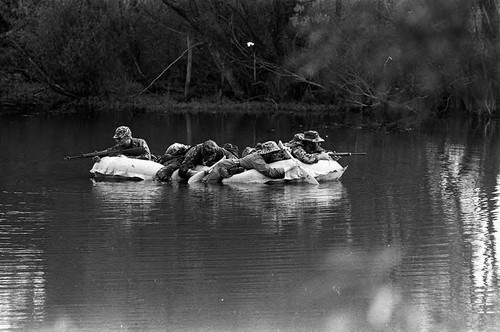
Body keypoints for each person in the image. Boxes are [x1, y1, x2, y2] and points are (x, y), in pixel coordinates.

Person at [205, 140, 297, 183]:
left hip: (233, 164)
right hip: (224, 166)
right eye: (274, 153)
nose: (276, 155)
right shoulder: (257, 160)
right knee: (211, 185)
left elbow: (278, 157)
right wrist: (290, 167)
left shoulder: (264, 156)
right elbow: (271, 173)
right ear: (268, 153)